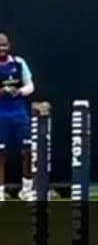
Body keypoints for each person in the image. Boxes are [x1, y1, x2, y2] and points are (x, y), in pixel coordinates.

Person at [0, 34, 35, 202]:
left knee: (28, 151)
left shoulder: (19, 63)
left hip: (19, 113)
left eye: (4, 45)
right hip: (1, 115)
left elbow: (30, 86)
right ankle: (0, 191)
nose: (2, 48)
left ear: (9, 45)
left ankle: (27, 189)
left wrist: (19, 91)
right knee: (0, 153)